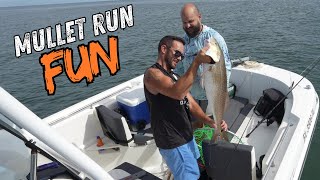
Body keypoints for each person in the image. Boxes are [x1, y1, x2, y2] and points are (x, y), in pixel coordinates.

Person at [143, 35, 228, 179]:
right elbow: (178, 92)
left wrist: (211, 122)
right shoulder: (152, 74)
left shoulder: (174, 76)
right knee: (189, 176)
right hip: (173, 141)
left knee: (198, 171)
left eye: (182, 56)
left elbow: (191, 104)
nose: (179, 58)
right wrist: (196, 62)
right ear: (164, 49)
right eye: (177, 53)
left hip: (186, 136)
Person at [175, 3, 232, 123]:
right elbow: (179, 69)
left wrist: (220, 98)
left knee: (212, 126)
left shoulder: (214, 38)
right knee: (194, 130)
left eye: (191, 21)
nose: (188, 25)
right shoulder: (182, 42)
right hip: (190, 96)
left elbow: (226, 68)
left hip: (210, 97)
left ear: (199, 17)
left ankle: (218, 134)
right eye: (184, 22)